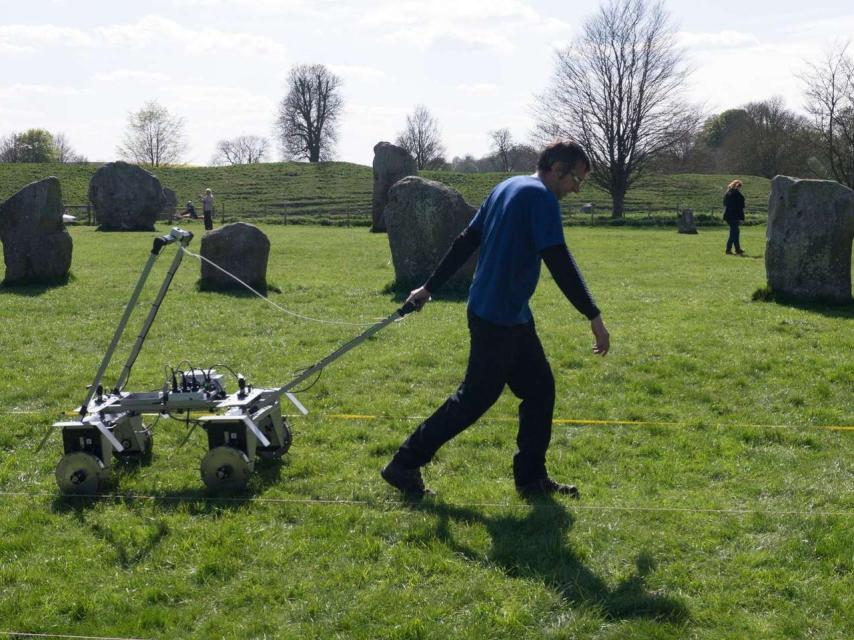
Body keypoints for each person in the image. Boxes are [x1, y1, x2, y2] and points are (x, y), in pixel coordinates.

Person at [381, 140, 610, 500]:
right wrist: (593, 315)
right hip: (498, 316)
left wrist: (429, 287)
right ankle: (405, 462)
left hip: (506, 312)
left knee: (539, 390)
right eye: (575, 180)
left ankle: (531, 479)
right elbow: (559, 260)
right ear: (556, 169)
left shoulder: (506, 186)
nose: (575, 189)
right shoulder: (541, 198)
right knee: (474, 398)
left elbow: (466, 240)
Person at [723, 180, 745, 255]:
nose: (740, 188)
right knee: (734, 233)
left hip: (729, 215)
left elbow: (725, 204)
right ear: (737, 186)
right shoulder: (736, 194)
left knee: (736, 232)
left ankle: (737, 249)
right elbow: (739, 207)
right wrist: (741, 218)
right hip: (734, 216)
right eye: (739, 187)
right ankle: (728, 249)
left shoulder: (728, 193)